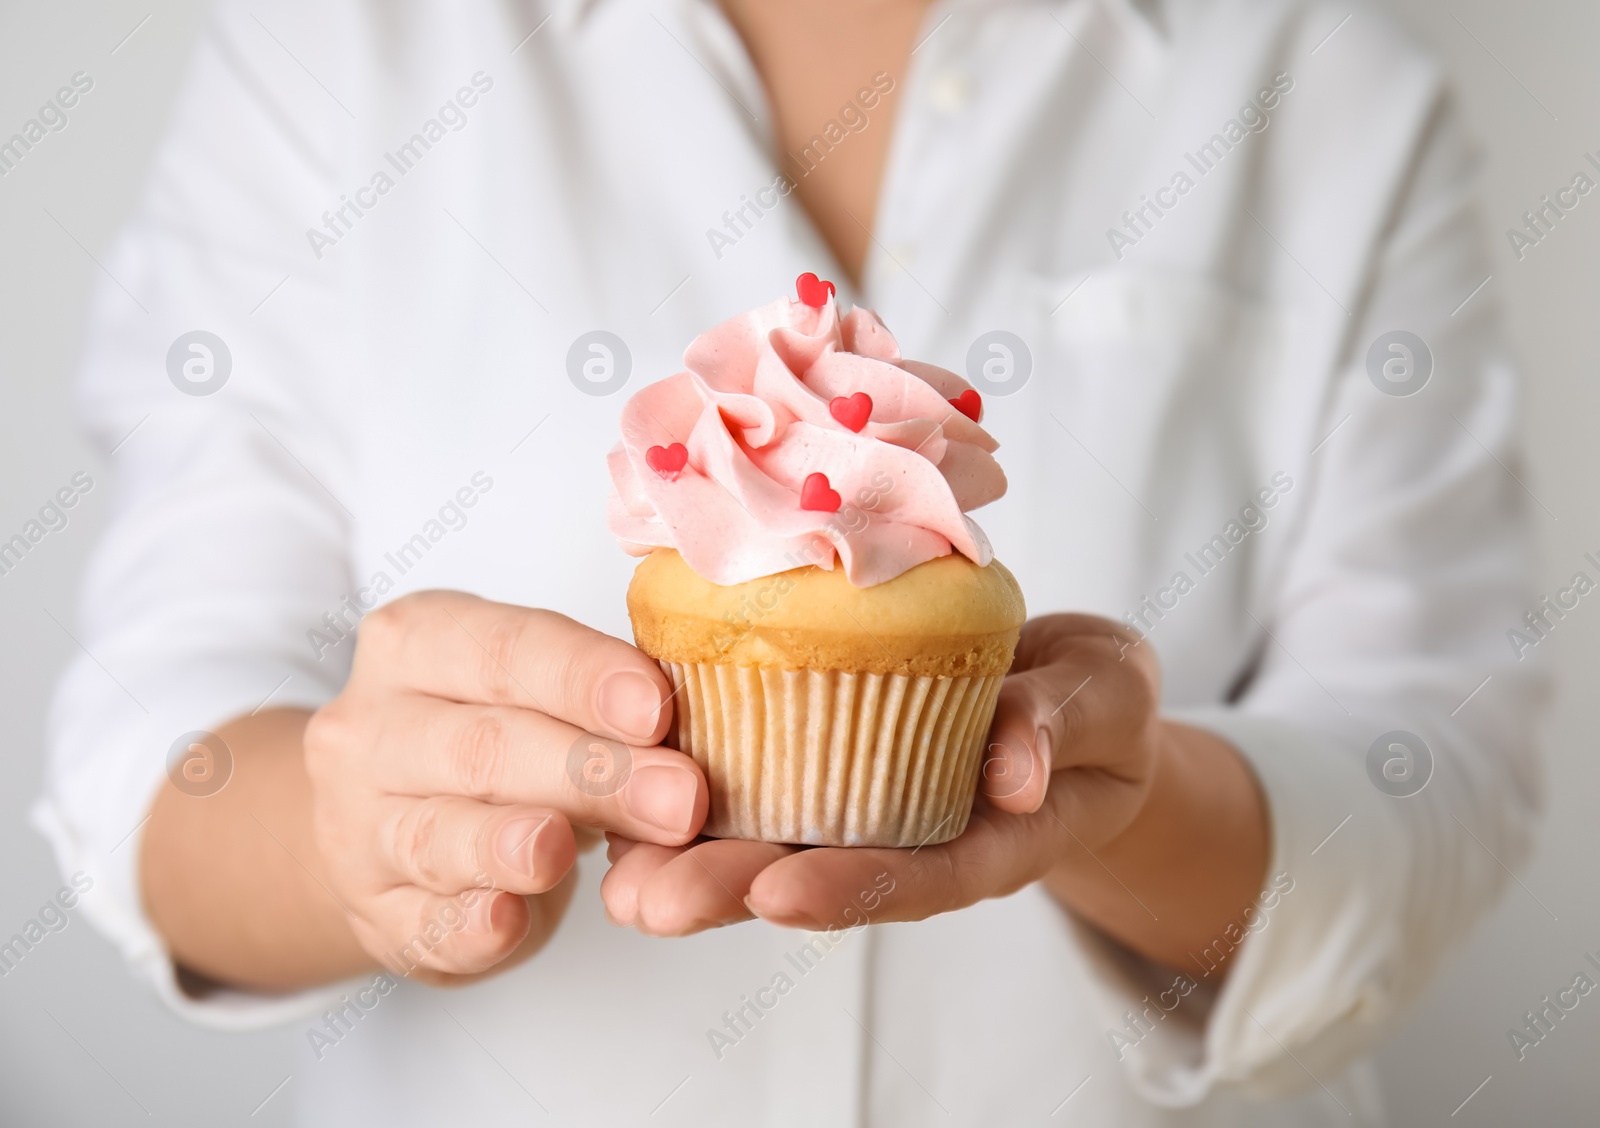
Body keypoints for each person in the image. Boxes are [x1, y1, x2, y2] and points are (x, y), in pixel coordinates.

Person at [35, 0, 1544, 1123]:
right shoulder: (336, 48)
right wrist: (345, 840)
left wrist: (1129, 809)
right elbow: (151, 727)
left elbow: (1444, 772)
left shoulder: (1326, 80)